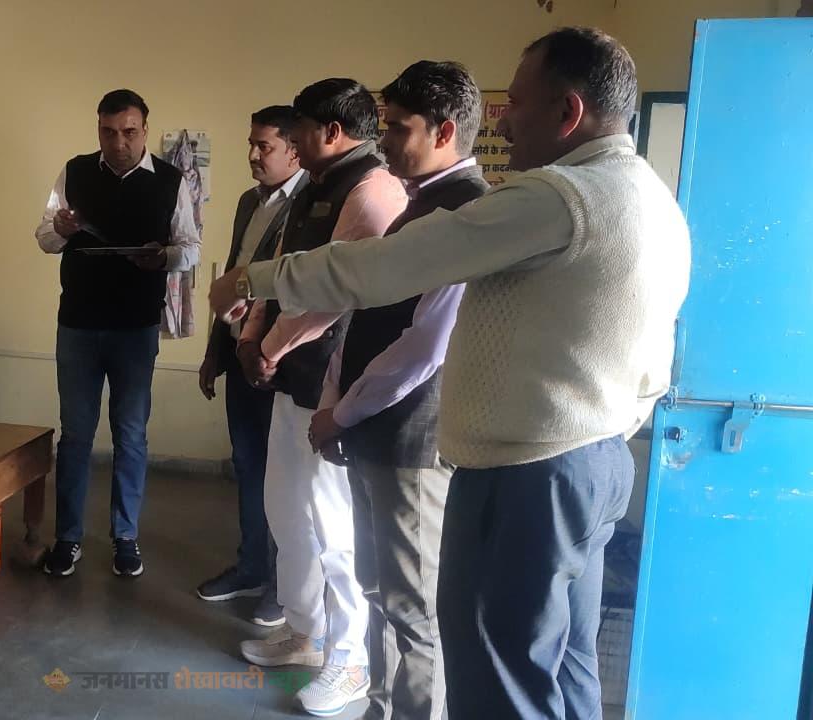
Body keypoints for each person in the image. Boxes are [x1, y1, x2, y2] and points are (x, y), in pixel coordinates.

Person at [211, 28, 691, 720]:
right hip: (597, 460)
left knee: (499, 674)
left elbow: (384, 269)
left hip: (529, 476)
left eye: (516, 102)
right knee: (563, 667)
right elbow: (655, 360)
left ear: (568, 112)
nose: (502, 120)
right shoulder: (651, 197)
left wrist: (252, 280)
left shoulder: (557, 199)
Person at [308, 61, 488, 720]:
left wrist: (342, 412)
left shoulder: (467, 212)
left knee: (414, 609)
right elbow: (365, 312)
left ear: (444, 131)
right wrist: (338, 405)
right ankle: (381, 708)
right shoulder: (418, 204)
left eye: (398, 128)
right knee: (377, 589)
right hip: (373, 427)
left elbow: (424, 346)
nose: (384, 142)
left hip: (411, 439)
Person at [234, 79, 408, 718]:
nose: (289, 142)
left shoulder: (373, 190)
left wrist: (270, 345)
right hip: (291, 377)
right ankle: (304, 632)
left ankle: (350, 660)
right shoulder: (312, 186)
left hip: (335, 385)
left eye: (299, 130)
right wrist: (252, 337)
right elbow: (281, 270)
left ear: (331, 132)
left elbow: (334, 292)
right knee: (285, 508)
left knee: (335, 529)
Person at [35, 89, 201, 578]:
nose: (119, 143)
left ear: (145, 130)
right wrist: (62, 229)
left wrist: (163, 256)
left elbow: (190, 246)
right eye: (109, 133)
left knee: (130, 435)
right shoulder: (74, 172)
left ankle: (125, 537)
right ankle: (67, 538)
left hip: (136, 327)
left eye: (129, 132)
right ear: (98, 130)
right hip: (78, 325)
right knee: (75, 436)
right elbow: (45, 238)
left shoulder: (170, 180)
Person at [195, 105, 307, 627]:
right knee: (247, 466)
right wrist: (214, 351)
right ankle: (251, 567)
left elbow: (294, 289)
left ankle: (284, 586)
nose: (253, 155)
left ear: (294, 151)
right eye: (252, 144)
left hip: (276, 361)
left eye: (265, 146)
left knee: (281, 478)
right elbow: (232, 281)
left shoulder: (307, 204)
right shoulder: (249, 201)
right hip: (238, 354)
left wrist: (266, 350)